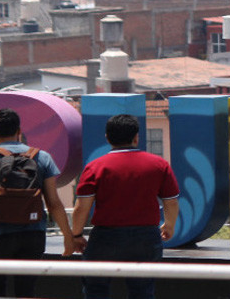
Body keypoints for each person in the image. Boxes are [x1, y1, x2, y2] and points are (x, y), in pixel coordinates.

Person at [71, 113, 179, 299]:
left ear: (107, 137)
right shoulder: (159, 165)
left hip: (105, 237)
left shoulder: (95, 167)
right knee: (142, 291)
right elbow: (171, 201)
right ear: (136, 137)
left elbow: (81, 207)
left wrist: (77, 235)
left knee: (96, 288)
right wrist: (169, 225)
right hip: (146, 236)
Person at [0, 107, 77, 297]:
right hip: (33, 234)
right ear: (19, 130)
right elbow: (53, 202)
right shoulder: (42, 157)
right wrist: (67, 236)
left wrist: (1, 197)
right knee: (26, 290)